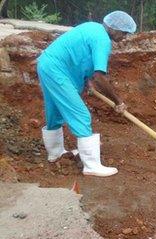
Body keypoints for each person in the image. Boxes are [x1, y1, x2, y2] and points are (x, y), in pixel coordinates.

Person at [37, 11, 136, 177]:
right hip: (56, 70)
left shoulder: (93, 28)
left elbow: (81, 58)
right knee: (82, 116)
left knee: (54, 112)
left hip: (46, 64)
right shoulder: (103, 40)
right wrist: (118, 101)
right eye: (124, 33)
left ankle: (55, 154)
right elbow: (100, 76)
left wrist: (87, 82)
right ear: (114, 29)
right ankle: (91, 166)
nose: (125, 37)